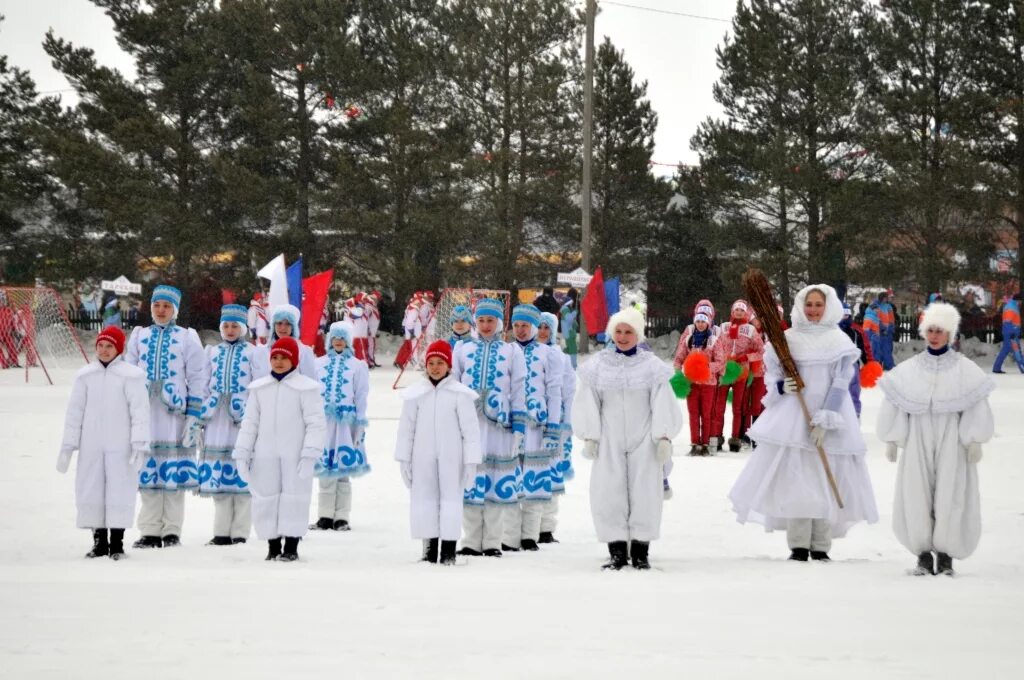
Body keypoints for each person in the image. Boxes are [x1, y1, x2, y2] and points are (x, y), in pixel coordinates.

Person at [729, 284, 878, 561]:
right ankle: (798, 544)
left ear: (828, 306)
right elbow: (773, 377)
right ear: (801, 305)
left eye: (818, 305)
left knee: (825, 475)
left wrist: (827, 417)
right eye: (808, 304)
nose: (813, 310)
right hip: (794, 417)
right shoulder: (787, 340)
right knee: (798, 478)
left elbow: (842, 381)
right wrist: (783, 388)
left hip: (828, 416)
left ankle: (820, 545)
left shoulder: (839, 341)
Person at [878, 302, 995, 576]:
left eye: (940, 330)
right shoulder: (910, 369)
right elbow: (895, 403)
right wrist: (893, 438)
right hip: (919, 434)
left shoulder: (964, 369)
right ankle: (922, 553)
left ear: (949, 333)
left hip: (951, 436)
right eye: (930, 329)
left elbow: (976, 404)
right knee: (916, 489)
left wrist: (974, 438)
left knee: (950, 490)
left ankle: (945, 554)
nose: (934, 335)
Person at [573, 308, 683, 570]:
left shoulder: (651, 366)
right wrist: (591, 434)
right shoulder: (598, 366)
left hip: (643, 438)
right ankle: (617, 549)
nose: (622, 337)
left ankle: (641, 549)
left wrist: (664, 436)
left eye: (628, 332)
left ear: (638, 334)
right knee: (609, 492)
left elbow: (662, 402)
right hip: (609, 439)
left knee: (645, 492)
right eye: (618, 332)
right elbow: (588, 401)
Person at [124, 285, 208, 548]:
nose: (161, 310)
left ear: (175, 310)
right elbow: (127, 373)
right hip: (145, 414)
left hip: (175, 416)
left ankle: (172, 529)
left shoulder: (186, 337)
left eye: (167, 306)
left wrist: (194, 415)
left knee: (172, 472)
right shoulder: (140, 336)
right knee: (148, 472)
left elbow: (198, 377)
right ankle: (149, 529)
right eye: (157, 305)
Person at [58, 326, 149, 560]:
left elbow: (140, 412)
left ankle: (117, 543)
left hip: (121, 445)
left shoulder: (131, 375)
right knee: (92, 489)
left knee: (119, 489)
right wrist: (68, 446)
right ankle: (99, 541)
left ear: (118, 348)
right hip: (92, 444)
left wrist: (139, 443)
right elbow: (74, 413)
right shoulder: (85, 376)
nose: (104, 350)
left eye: (109, 346)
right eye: (101, 346)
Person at [232, 337, 326, 561]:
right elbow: (250, 423)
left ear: (294, 360)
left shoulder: (306, 388)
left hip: (295, 454)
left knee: (294, 496)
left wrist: (310, 452)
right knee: (266, 496)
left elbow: (316, 423)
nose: (279, 361)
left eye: (284, 357)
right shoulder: (259, 389)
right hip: (265, 453)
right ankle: (272, 546)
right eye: (275, 357)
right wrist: (243, 453)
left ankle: (291, 546)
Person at [451, 298, 526, 557]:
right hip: (469, 425)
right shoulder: (461, 349)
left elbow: (518, 389)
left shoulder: (511, 351)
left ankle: (493, 541)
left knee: (495, 483)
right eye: (481, 320)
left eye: (490, 320)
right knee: (471, 478)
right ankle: (471, 540)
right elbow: (453, 385)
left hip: (500, 427)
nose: (485, 325)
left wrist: (519, 424)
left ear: (499, 323)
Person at [395, 340, 482, 565]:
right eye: (431, 363)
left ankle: (448, 551)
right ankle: (429, 549)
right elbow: (406, 429)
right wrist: (403, 458)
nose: (435, 367)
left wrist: (471, 461)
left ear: (448, 365)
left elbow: (470, 431)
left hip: (452, 457)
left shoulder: (460, 394)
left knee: (451, 500)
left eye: (440, 362)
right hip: (422, 456)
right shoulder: (415, 395)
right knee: (425, 500)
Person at [502, 304, 562, 552]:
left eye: (525, 325)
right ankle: (510, 535)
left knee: (534, 481)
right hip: (511, 426)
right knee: (510, 480)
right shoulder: (506, 351)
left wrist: (553, 428)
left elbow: (554, 393)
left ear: (535, 327)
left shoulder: (548, 354)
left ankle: (530, 534)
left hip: (537, 425)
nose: (521, 330)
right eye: (516, 325)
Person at [196, 304, 256, 545]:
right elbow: (203, 383)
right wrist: (200, 416)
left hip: (241, 421)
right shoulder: (212, 352)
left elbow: (258, 386)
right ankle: (221, 531)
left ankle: (240, 532)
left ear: (242, 328)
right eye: (226, 326)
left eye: (235, 326)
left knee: (241, 476)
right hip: (216, 421)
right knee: (219, 476)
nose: (230, 330)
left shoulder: (253, 353)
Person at [311, 321, 370, 532]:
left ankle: (342, 516)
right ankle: (325, 515)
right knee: (325, 470)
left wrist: (360, 423)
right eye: (335, 338)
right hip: (324, 423)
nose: (338, 342)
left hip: (346, 424)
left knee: (343, 471)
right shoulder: (318, 364)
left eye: (342, 338)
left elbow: (361, 396)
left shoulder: (357, 365)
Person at [537, 312, 575, 543]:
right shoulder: (524, 353)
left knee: (551, 473)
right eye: (539, 326)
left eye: (546, 327)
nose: (542, 331)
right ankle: (527, 525)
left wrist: (567, 422)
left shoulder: (560, 357)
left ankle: (546, 527)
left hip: (555, 422)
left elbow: (569, 391)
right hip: (532, 423)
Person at [673, 301, 724, 457]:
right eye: (698, 321)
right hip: (691, 383)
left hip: (709, 383)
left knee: (707, 413)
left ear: (708, 323)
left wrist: (707, 368)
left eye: (703, 321)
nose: (701, 324)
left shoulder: (713, 340)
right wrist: (678, 372)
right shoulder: (689, 339)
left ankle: (706, 444)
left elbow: (721, 361)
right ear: (695, 322)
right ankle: (695, 443)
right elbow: (679, 357)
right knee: (693, 413)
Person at [716, 300, 765, 452]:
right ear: (732, 311)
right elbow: (716, 346)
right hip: (725, 371)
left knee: (737, 408)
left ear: (746, 313)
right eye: (736, 310)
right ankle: (716, 437)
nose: (739, 313)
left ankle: (735, 439)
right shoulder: (723, 327)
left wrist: (746, 358)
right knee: (719, 407)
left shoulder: (750, 329)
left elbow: (761, 351)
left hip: (741, 372)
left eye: (742, 311)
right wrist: (721, 360)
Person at [251, 304, 317, 380]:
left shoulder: (304, 351)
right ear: (273, 325)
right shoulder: (261, 351)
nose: (283, 327)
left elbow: (310, 382)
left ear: (293, 327)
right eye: (279, 323)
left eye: (288, 324)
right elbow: (257, 382)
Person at [839, 303, 868, 418]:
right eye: (842, 315)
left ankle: (855, 412)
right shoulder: (833, 329)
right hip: (836, 363)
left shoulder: (855, 330)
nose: (844, 318)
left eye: (846, 315)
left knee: (854, 389)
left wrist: (867, 362)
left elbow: (864, 346)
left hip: (852, 363)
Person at [992, 293, 1023, 374]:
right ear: (1018, 300)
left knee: (1005, 350)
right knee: (1017, 351)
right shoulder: (1011, 307)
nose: (1021, 303)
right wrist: (1012, 333)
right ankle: (1023, 368)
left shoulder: (1012, 305)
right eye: (1021, 301)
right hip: (1011, 333)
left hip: (1010, 332)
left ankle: (996, 368)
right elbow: (1007, 321)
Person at [560, 289, 579, 369]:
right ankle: (573, 365)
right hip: (569, 332)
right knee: (573, 349)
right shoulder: (565, 309)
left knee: (569, 348)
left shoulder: (567, 309)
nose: (572, 304)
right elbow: (568, 318)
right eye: (571, 303)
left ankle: (562, 359)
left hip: (570, 332)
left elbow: (571, 321)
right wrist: (574, 313)